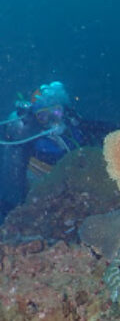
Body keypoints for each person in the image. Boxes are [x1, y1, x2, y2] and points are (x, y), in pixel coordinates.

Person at [0, 81, 85, 220]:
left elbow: (97, 128)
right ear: (36, 118)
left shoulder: (75, 128)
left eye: (56, 111)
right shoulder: (31, 138)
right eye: (43, 116)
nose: (52, 119)